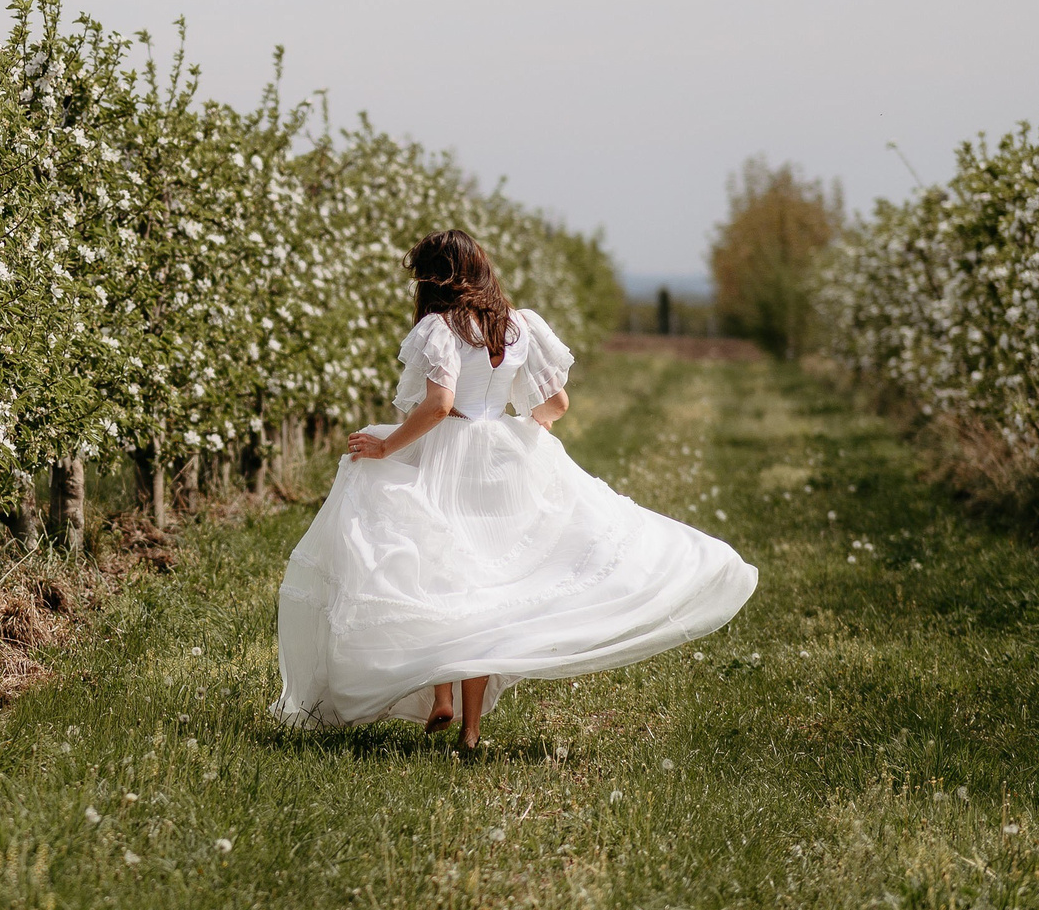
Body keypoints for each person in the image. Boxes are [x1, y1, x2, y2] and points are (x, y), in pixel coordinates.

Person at [270, 229, 757, 756]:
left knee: (438, 567)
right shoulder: (519, 325)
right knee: (484, 581)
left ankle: (441, 693)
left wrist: (387, 450)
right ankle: (470, 729)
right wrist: (529, 429)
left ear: (438, 278)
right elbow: (558, 402)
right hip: (501, 455)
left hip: (450, 450)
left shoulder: (441, 327)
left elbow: (438, 406)